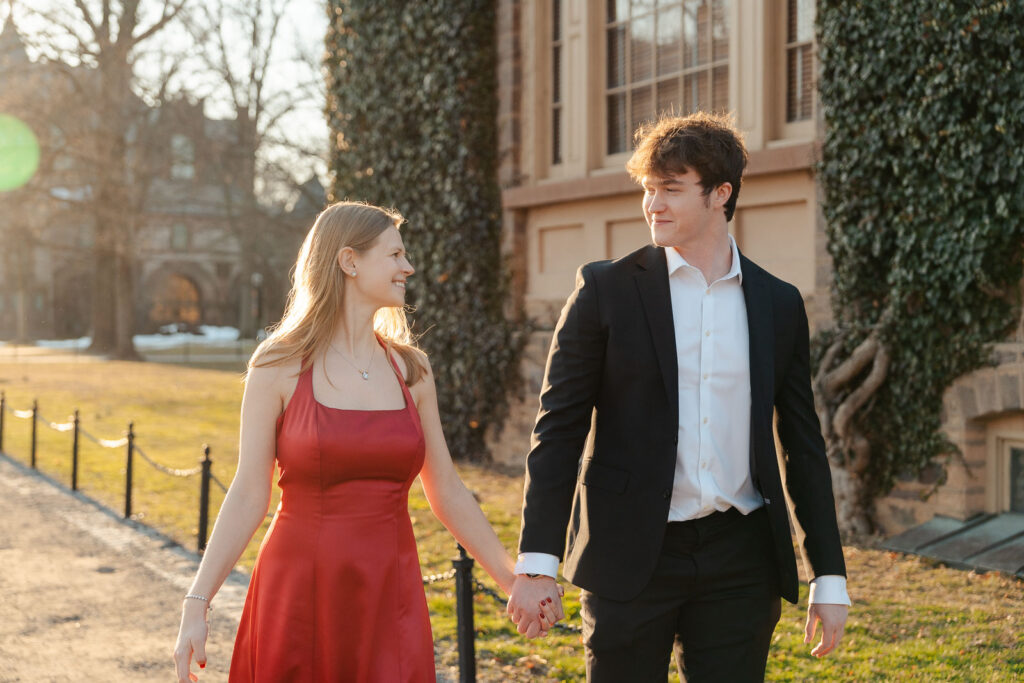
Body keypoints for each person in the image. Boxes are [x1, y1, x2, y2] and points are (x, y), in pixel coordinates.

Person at [506, 112, 851, 682]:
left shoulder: (778, 303)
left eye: (671, 189)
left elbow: (802, 444)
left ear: (721, 193)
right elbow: (557, 432)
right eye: (648, 189)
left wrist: (829, 576)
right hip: (629, 552)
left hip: (742, 558)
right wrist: (537, 565)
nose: (653, 205)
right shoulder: (604, 292)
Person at [172, 201, 560, 682]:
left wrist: (513, 581)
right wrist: (198, 601)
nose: (408, 267)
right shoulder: (277, 366)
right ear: (349, 261)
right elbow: (250, 492)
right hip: (298, 589)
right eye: (395, 255)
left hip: (388, 591)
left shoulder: (411, 369)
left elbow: (446, 490)